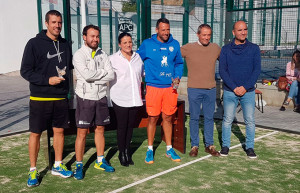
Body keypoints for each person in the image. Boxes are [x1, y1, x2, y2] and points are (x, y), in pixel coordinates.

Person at [21, 10, 73, 187]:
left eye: (59, 23)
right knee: (35, 133)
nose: (57, 26)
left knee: (59, 131)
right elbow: (25, 71)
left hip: (60, 98)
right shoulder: (34, 44)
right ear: (46, 23)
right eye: (53, 22)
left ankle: (57, 165)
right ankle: (33, 170)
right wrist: (47, 80)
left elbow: (69, 66)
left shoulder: (65, 44)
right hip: (39, 97)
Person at [137, 18, 184, 164]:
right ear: (157, 30)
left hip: (170, 88)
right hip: (153, 87)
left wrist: (177, 77)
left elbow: (179, 63)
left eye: (168, 29)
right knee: (152, 118)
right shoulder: (147, 44)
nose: (166, 32)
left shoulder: (175, 44)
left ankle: (169, 148)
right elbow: (137, 60)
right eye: (163, 30)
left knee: (168, 117)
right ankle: (150, 149)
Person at [73, 25, 115, 180]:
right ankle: (79, 164)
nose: (95, 39)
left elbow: (111, 75)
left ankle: (100, 160)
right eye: (92, 36)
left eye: (97, 36)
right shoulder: (79, 55)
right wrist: (101, 75)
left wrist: (96, 77)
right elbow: (85, 75)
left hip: (101, 97)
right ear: (84, 37)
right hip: (85, 98)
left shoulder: (103, 54)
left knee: (100, 130)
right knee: (82, 133)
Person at [219, 20, 261, 159]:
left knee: (249, 120)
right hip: (230, 91)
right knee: (227, 120)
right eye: (240, 30)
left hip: (248, 92)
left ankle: (250, 147)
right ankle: (225, 146)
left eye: (245, 30)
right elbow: (222, 71)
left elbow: (256, 71)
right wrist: (234, 87)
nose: (243, 32)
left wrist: (245, 87)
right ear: (233, 32)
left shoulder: (254, 48)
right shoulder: (225, 49)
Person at [181, 24, 221, 157]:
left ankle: (209, 145)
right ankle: (194, 146)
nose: (206, 37)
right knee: (194, 118)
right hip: (194, 90)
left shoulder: (215, 48)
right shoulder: (188, 48)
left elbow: (228, 60)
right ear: (198, 35)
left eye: (209, 35)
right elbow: (172, 56)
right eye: (204, 35)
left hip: (210, 89)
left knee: (209, 118)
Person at [109, 32, 144, 166]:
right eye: (125, 42)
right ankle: (121, 153)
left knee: (130, 127)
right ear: (119, 44)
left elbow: (141, 74)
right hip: (119, 98)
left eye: (130, 42)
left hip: (134, 97)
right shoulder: (112, 59)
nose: (128, 45)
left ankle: (127, 151)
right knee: (122, 127)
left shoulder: (137, 57)